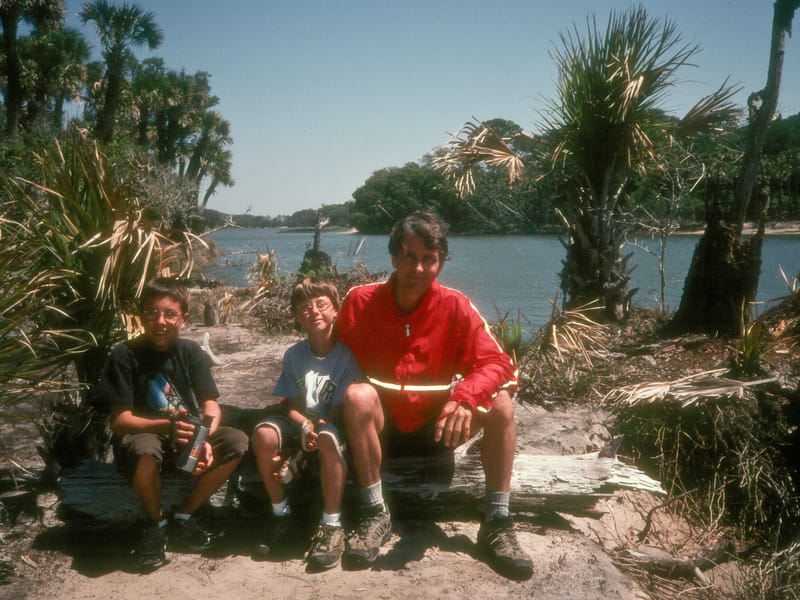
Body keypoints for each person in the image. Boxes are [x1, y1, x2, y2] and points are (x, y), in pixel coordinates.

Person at [336, 210, 534, 580]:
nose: (419, 268)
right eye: (409, 256)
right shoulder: (360, 302)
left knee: (500, 402)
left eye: (429, 259)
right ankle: (374, 512)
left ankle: (497, 520)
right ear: (394, 257)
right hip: (380, 431)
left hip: (439, 429)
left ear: (441, 262)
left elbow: (500, 364)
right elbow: (329, 360)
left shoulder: (455, 305)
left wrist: (465, 397)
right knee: (359, 395)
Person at [94, 277, 248, 572]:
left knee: (237, 442)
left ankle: (184, 517)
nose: (160, 321)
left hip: (188, 435)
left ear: (183, 319)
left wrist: (203, 439)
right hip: (145, 433)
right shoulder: (124, 355)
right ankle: (157, 525)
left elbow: (210, 405)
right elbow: (120, 421)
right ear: (141, 317)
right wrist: (167, 427)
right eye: (152, 313)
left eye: (170, 314)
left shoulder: (190, 352)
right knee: (145, 451)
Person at [251, 278, 362, 571]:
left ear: (336, 310)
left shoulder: (348, 355)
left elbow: (339, 408)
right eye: (305, 307)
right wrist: (303, 427)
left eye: (321, 304)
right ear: (297, 315)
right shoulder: (294, 355)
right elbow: (291, 404)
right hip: (302, 421)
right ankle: (281, 514)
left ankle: (331, 524)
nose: (313, 311)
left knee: (327, 437)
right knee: (264, 435)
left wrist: (316, 430)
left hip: (332, 423)